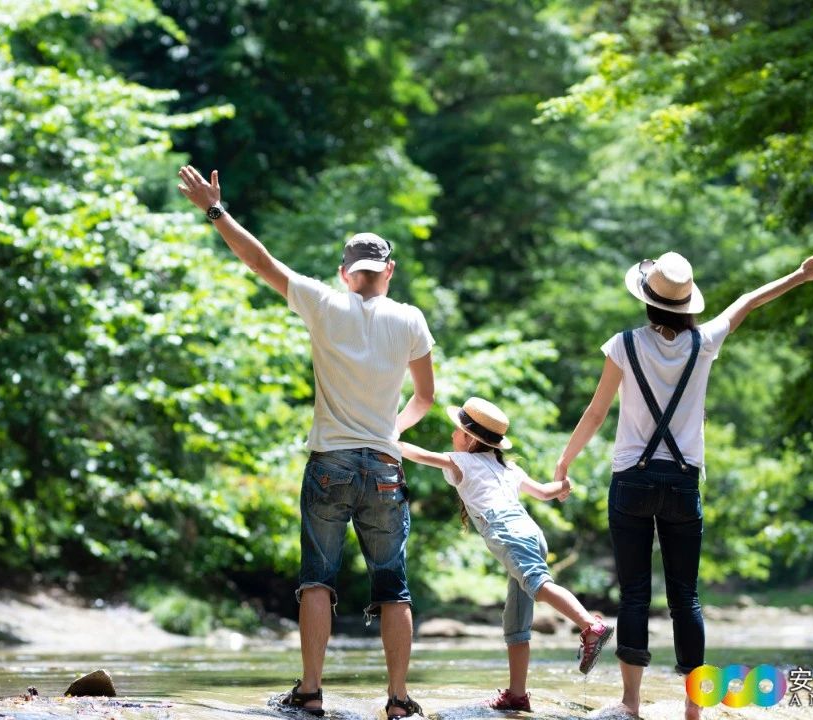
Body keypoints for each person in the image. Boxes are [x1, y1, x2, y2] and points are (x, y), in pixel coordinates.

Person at [177, 165, 436, 718]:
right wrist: (393, 430)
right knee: (394, 586)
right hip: (385, 468)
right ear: (388, 271)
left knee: (317, 579)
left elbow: (259, 261)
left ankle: (312, 692)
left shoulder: (321, 301)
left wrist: (215, 210)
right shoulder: (411, 319)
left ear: (346, 273)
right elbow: (426, 399)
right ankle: (397, 700)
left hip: (329, 465)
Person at [553, 249, 813, 720]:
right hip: (684, 482)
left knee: (633, 594)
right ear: (689, 304)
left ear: (647, 301)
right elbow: (748, 301)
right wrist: (800, 274)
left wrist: (564, 464)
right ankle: (693, 706)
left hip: (632, 478)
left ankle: (630, 703)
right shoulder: (703, 342)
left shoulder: (624, 345)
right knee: (685, 597)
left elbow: (595, 412)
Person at [399, 397, 614, 712]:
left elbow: (420, 455)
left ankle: (589, 625)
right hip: (530, 532)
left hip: (507, 533)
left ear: (470, 439)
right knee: (516, 622)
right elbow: (543, 491)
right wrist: (562, 486)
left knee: (538, 583)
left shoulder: (462, 460)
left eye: (456, 431)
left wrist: (389, 440)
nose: (452, 437)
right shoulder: (507, 466)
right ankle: (517, 694)